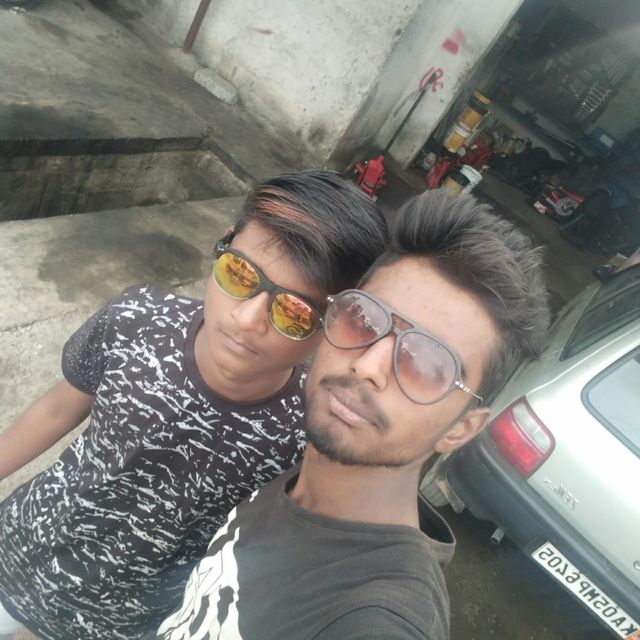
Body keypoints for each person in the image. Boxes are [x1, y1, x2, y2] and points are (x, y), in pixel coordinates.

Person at [0, 170, 388, 640]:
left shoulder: (308, 435)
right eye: (239, 274)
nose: (247, 319)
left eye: (294, 312)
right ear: (224, 243)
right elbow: (57, 408)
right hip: (22, 549)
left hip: (122, 623)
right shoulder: (136, 319)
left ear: (333, 327)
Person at [153, 189, 551, 640]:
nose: (367, 366)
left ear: (461, 428)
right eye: (364, 318)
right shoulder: (303, 476)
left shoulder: (381, 617)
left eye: (427, 364)